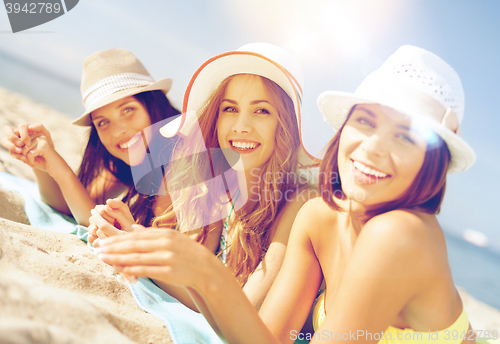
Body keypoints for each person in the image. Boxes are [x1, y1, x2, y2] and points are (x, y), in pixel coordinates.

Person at [94, 45, 496, 344]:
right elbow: (265, 337)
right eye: (366, 122)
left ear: (435, 163)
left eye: (406, 136)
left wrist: (204, 272)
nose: (373, 147)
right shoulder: (320, 216)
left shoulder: (402, 232)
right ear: (344, 131)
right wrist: (182, 263)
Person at [91, 43, 320, 312]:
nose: (241, 126)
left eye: (262, 111)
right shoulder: (218, 184)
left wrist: (138, 250)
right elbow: (193, 291)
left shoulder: (301, 202)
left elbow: (245, 310)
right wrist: (129, 239)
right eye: (230, 109)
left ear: (286, 127)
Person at [1, 49, 180, 243]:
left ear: (153, 105)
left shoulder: (182, 159)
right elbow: (75, 209)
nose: (117, 131)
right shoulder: (129, 160)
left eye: (128, 110)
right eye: (103, 122)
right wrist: (44, 163)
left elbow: (164, 253)